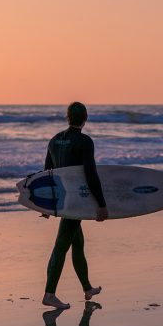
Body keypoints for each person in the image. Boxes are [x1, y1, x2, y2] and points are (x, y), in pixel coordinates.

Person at [41, 102, 108, 310]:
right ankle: (49, 294)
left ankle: (87, 288)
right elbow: (90, 174)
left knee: (77, 243)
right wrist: (101, 204)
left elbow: (47, 174)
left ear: (67, 117)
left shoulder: (54, 141)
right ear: (85, 118)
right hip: (76, 200)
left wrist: (47, 205)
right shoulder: (84, 141)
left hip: (62, 200)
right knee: (61, 246)